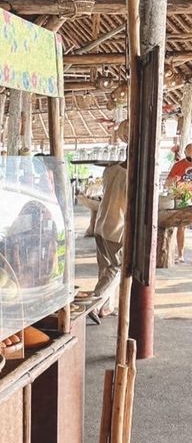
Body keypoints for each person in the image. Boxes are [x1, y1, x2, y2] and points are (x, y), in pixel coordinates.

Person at [92, 122, 128, 318]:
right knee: (117, 268)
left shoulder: (110, 170)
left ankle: (105, 306)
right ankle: (95, 302)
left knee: (104, 268)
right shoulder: (130, 178)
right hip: (116, 228)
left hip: (101, 224)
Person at [165, 142, 192, 263]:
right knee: (181, 226)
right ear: (186, 152)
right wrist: (173, 179)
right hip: (182, 199)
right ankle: (180, 254)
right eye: (190, 152)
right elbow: (167, 183)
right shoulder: (178, 165)